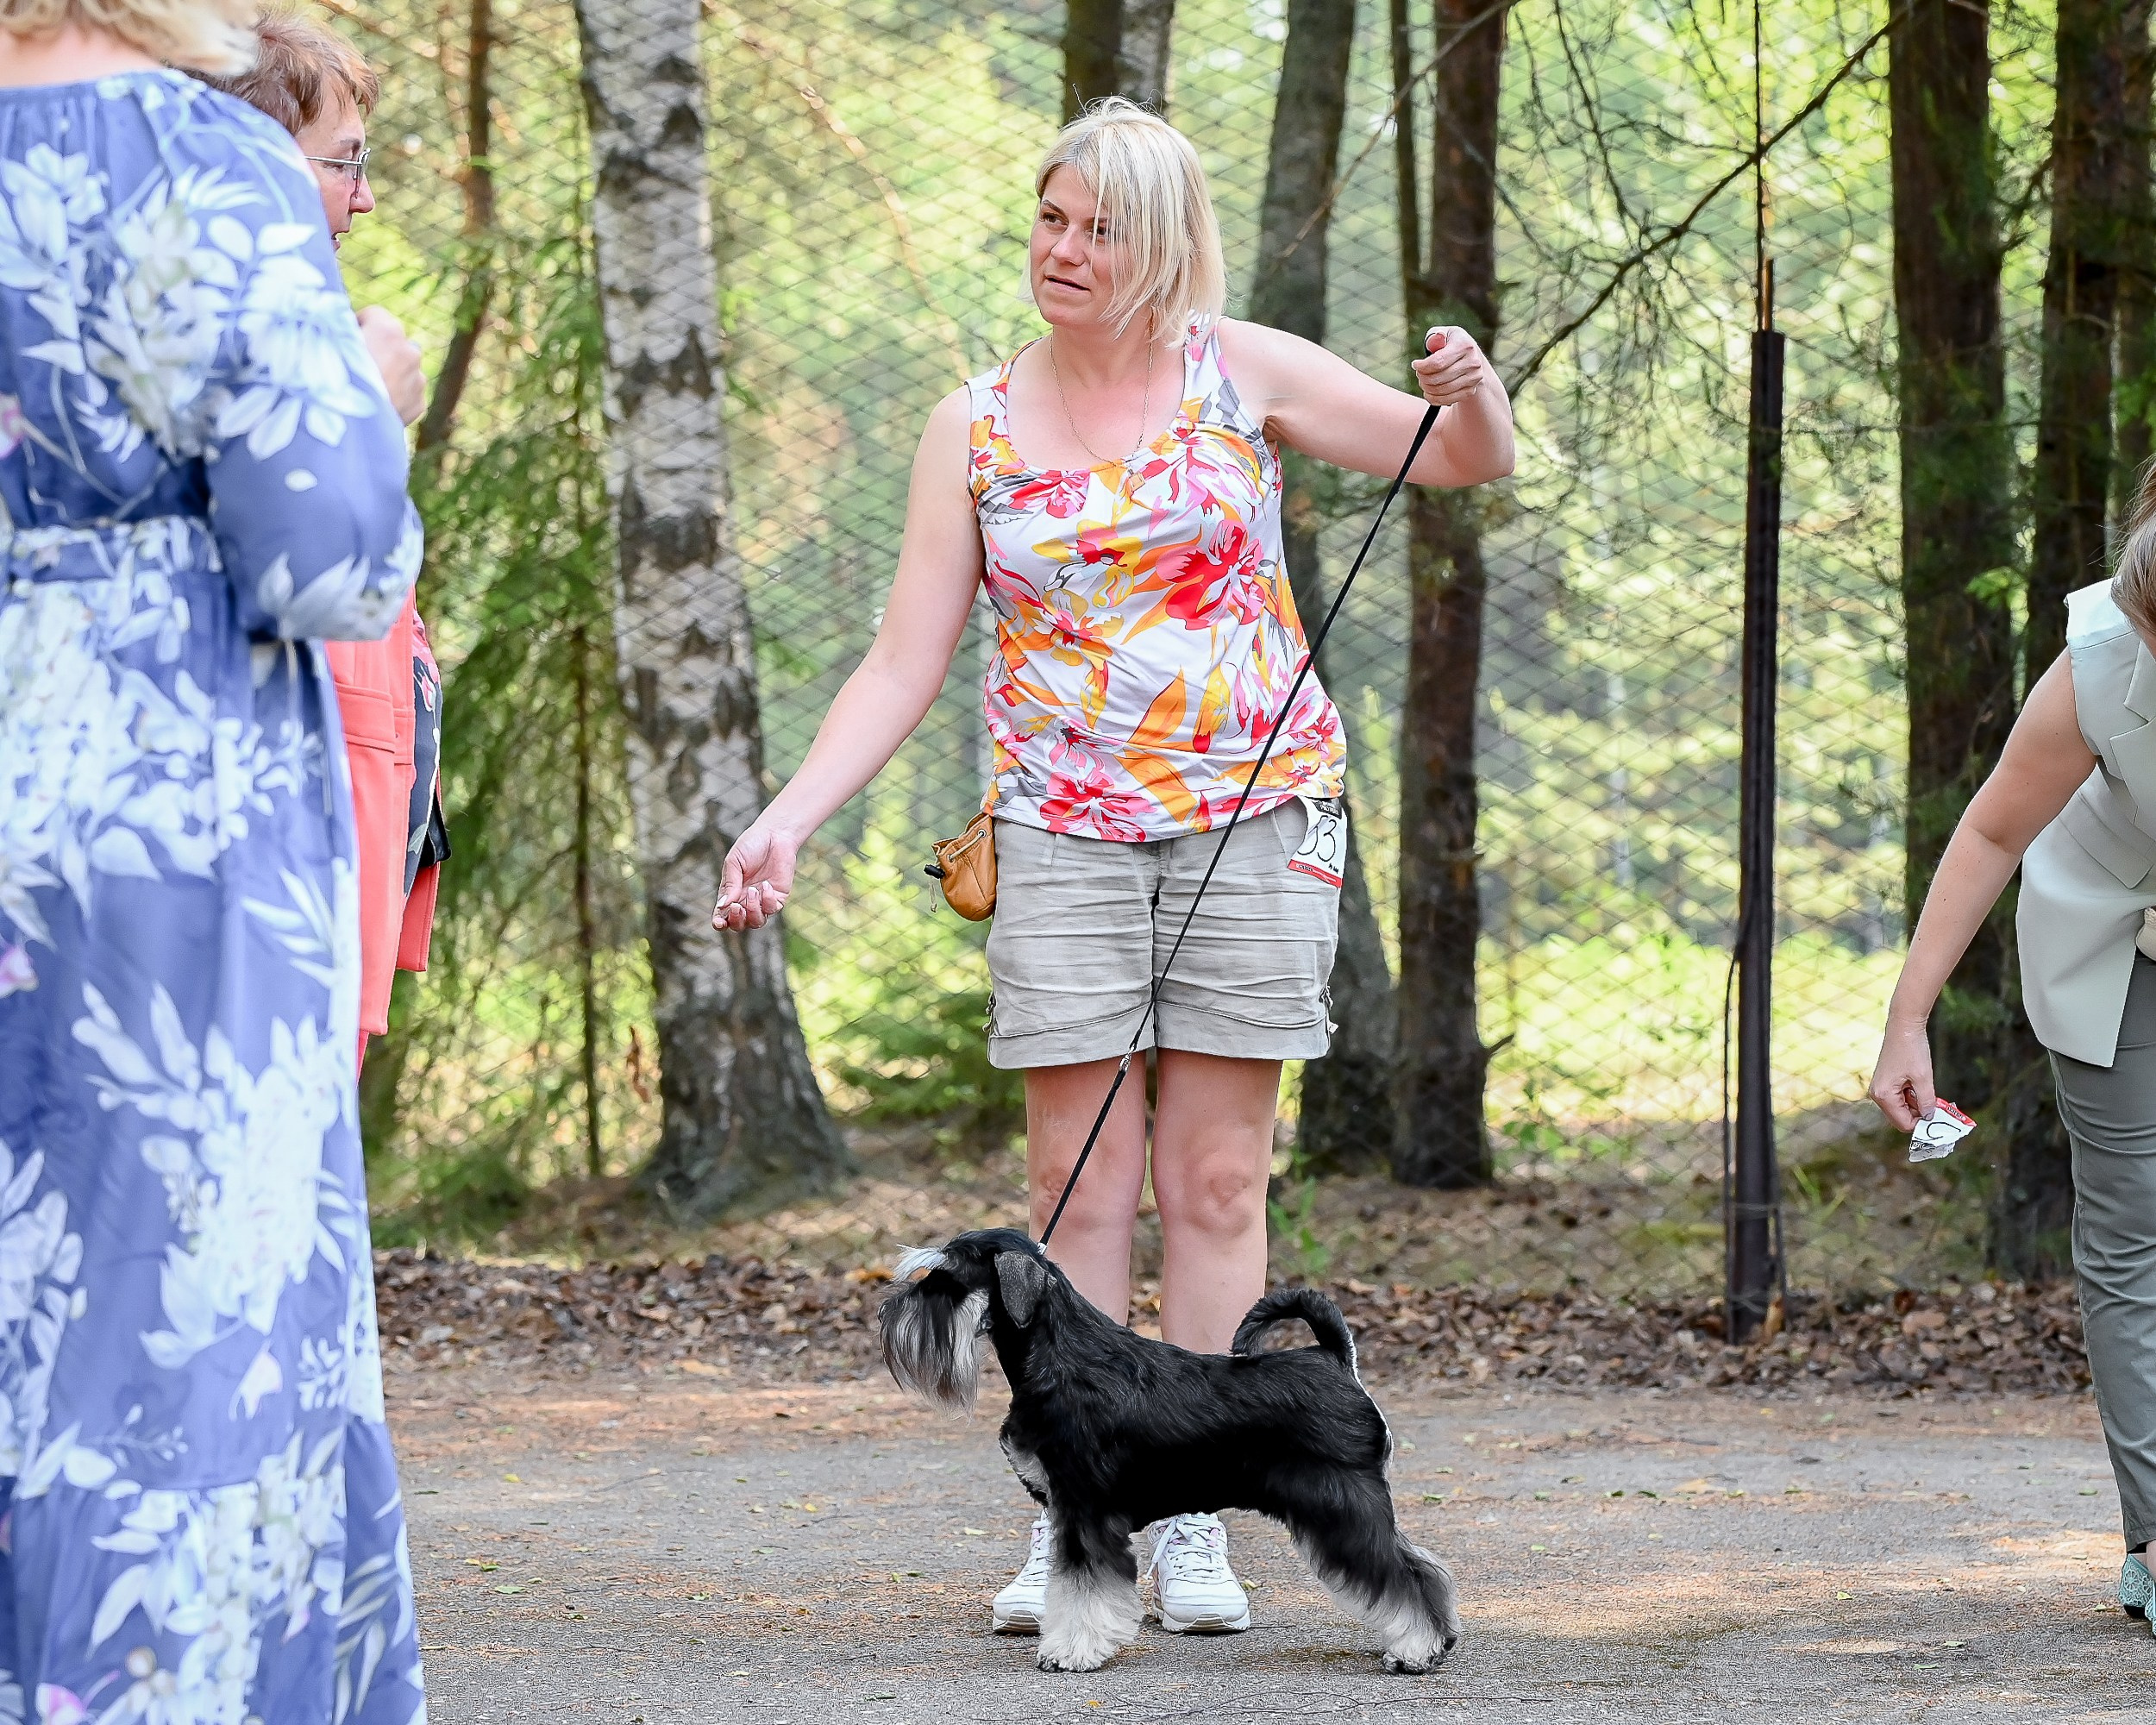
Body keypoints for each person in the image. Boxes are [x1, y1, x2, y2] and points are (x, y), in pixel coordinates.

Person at [713, 98, 1514, 1634]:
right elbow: (902, 659)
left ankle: (1197, 1519)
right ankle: (1072, 1511)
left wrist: (1471, 392)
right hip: (1058, 830)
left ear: (1164, 247)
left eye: (1100, 229)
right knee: (1071, 1187)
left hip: (1258, 817)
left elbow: (1462, 460)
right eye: (1051, 218)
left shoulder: (1242, 370)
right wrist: (790, 815)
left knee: (1215, 1181)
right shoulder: (972, 423)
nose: (1064, 250)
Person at [0, 3, 427, 1716]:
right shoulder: (201, 163)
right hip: (149, 827)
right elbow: (329, 555)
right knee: (167, 1314)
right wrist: (373, 401)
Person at [1870, 480, 2156, 1634]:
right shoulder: (2099, 662)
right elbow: (1993, 829)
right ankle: (2155, 1536)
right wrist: (1907, 1018)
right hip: (2112, 947)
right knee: (2134, 1239)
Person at [201, 13, 448, 1070]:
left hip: (343, 825)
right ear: (256, 161)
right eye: (345, 162)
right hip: (277, 843)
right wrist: (364, 412)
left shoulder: (304, 323)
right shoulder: (211, 333)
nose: (366, 196)